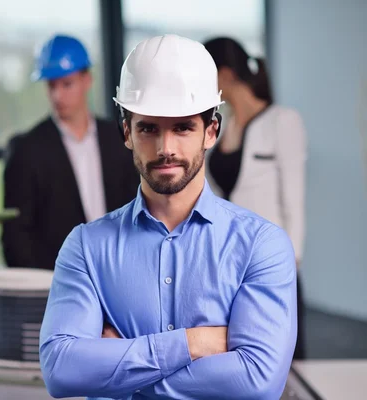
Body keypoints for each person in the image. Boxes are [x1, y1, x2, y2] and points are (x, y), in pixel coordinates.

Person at [39, 34, 297, 400]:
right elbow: (62, 370)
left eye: (182, 127)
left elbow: (258, 380)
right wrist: (194, 343)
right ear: (126, 131)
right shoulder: (86, 247)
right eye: (149, 128)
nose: (166, 149)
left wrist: (119, 368)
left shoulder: (261, 246)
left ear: (211, 130)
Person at [203, 36, 307, 359]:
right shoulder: (221, 128)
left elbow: (295, 204)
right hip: (226, 271)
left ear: (225, 75)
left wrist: (285, 272)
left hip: (270, 271)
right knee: (233, 365)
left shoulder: (283, 121)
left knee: (279, 367)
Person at [2, 34, 139, 270]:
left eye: (66, 84)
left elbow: (138, 205)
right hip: (56, 279)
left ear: (88, 80)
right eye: (51, 86)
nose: (57, 95)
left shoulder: (119, 138)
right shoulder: (27, 149)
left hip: (121, 268)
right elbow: (16, 237)